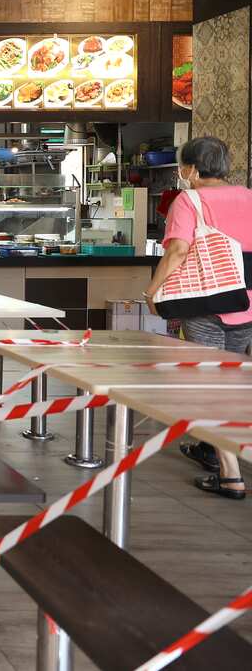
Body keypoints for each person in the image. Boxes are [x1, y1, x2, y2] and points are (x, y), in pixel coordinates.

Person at [144, 136, 252, 500]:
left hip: (205, 301)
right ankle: (211, 447)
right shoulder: (249, 197)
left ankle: (231, 475)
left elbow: (177, 251)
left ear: (189, 168)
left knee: (209, 384)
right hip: (246, 303)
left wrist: (153, 291)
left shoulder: (189, 200)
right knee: (231, 380)